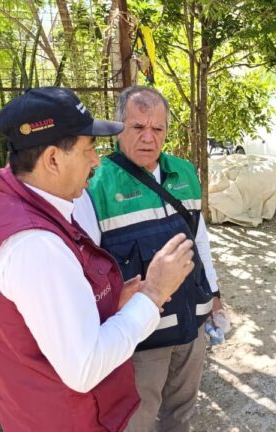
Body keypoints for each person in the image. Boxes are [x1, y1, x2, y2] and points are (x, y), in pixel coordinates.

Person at [0, 87, 196, 431]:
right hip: (63, 417)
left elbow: (51, 316)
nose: (95, 160)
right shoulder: (36, 245)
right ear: (52, 159)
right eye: (88, 149)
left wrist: (111, 305)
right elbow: (84, 366)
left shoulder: (8, 205)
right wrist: (153, 293)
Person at [73, 85, 224, 432]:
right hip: (141, 335)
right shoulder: (94, 184)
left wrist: (214, 297)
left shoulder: (184, 173)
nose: (149, 138)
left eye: (158, 129)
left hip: (192, 323)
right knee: (138, 418)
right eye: (138, 127)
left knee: (182, 413)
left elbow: (200, 241)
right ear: (117, 126)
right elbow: (89, 271)